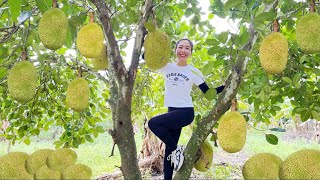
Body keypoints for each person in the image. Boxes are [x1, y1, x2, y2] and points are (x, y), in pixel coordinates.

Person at [147, 38, 225, 180]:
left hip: (185, 112)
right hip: (172, 111)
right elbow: (148, 59)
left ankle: (177, 150)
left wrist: (225, 86)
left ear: (190, 52)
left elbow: (208, 93)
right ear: (175, 50)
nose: (183, 50)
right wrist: (150, 40)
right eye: (180, 47)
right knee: (169, 151)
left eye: (187, 48)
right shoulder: (167, 66)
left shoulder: (194, 71)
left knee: (153, 123)